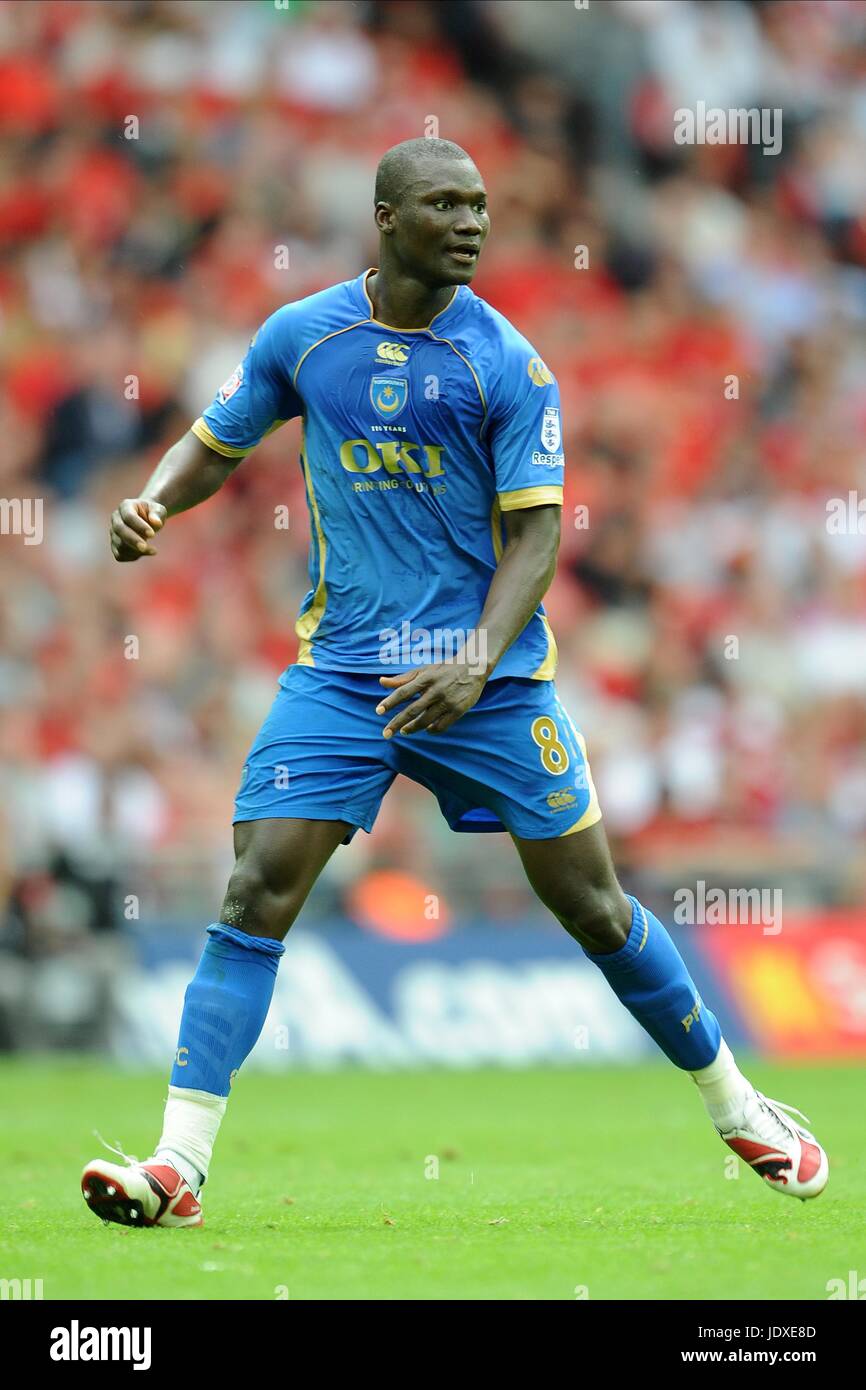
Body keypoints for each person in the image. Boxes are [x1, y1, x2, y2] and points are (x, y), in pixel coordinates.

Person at [82, 139, 826, 1229]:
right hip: (341, 674)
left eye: (479, 206)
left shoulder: (508, 364)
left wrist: (474, 657)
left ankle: (737, 1103)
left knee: (593, 908)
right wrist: (152, 502)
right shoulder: (305, 335)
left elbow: (536, 539)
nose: (471, 222)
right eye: (445, 204)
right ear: (386, 216)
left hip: (492, 678)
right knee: (252, 894)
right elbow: (215, 440)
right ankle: (178, 1163)